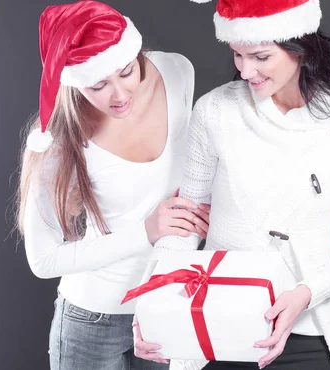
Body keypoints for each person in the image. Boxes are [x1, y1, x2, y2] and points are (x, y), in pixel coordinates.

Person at [132, 1, 330, 370]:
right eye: (237, 54)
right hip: (215, 319)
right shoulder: (215, 110)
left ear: (300, 47)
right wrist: (154, 300)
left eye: (260, 57)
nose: (245, 69)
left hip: (309, 327)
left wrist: (306, 293)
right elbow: (185, 225)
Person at [16, 1, 210, 368]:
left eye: (126, 72)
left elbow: (191, 168)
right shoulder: (57, 140)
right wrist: (146, 232)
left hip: (164, 304)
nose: (120, 95)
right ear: (74, 81)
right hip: (93, 318)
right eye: (99, 84)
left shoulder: (176, 71)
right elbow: (42, 261)